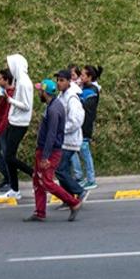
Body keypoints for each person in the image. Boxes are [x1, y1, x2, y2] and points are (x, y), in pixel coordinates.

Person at [24, 79, 83, 222]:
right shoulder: (52, 105)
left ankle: (73, 202)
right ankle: (40, 212)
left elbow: (52, 134)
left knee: (47, 182)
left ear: (45, 93)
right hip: (44, 149)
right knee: (37, 180)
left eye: (40, 91)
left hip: (50, 152)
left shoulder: (54, 110)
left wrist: (45, 157)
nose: (39, 93)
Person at [0, 54, 34, 200]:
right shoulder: (19, 80)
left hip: (20, 124)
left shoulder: (24, 83)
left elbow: (26, 106)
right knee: (9, 157)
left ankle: (34, 174)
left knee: (9, 156)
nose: (9, 68)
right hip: (14, 121)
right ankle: (14, 189)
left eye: (10, 65)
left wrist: (11, 100)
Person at [54, 69, 88, 208]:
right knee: (64, 169)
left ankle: (79, 191)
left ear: (69, 81)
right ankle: (68, 198)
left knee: (59, 169)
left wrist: (60, 129)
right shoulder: (61, 96)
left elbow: (75, 121)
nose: (59, 83)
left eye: (62, 80)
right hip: (62, 140)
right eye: (58, 80)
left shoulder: (72, 98)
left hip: (70, 140)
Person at [72, 65, 102, 190]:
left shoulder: (92, 91)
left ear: (89, 77)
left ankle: (91, 179)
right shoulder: (85, 88)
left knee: (85, 152)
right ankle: (84, 177)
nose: (81, 77)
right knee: (78, 150)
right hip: (80, 124)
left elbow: (85, 107)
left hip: (86, 125)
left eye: (83, 75)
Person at [0, 69, 15, 191]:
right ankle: (7, 176)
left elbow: (7, 114)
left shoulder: (10, 94)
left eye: (0, 78)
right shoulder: (4, 92)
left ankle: (12, 181)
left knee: (7, 155)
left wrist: (0, 128)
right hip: (0, 125)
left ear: (6, 80)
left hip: (5, 127)